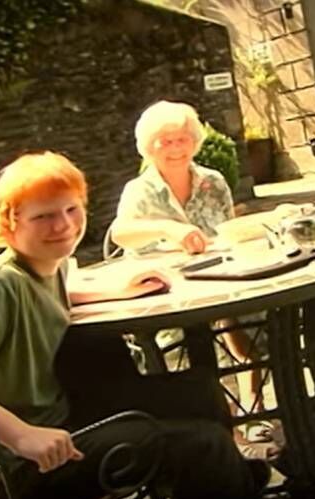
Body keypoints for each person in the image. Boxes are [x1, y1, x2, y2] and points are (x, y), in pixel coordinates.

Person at [0, 151, 267, 499]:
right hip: (19, 470)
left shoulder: (47, 265)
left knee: (200, 390)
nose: (62, 225)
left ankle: (214, 494)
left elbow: (58, 293)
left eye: (71, 209)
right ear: (11, 224)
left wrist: (119, 291)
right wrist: (21, 435)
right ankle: (228, 496)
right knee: (201, 444)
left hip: (59, 420)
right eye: (43, 216)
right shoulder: (1, 284)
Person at [111, 100, 272, 444]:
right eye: (165, 141)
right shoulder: (139, 190)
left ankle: (253, 409)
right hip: (167, 291)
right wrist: (166, 228)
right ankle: (219, 425)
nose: (175, 148)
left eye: (182, 139)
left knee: (250, 320)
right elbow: (121, 233)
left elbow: (227, 231)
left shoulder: (213, 181)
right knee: (187, 347)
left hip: (217, 278)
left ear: (195, 142)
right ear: (148, 146)